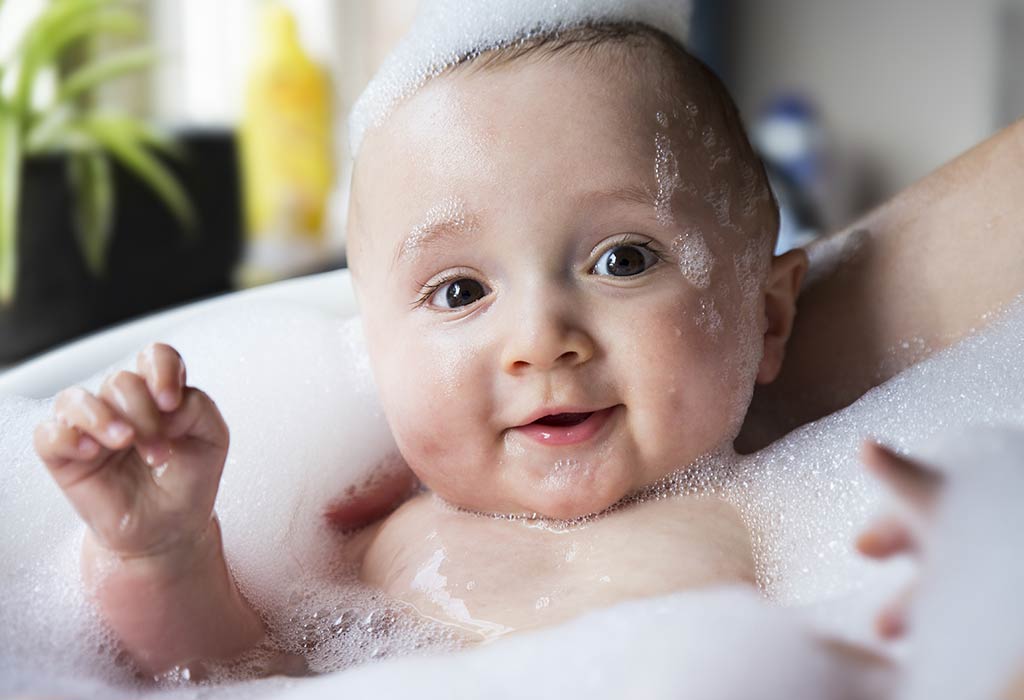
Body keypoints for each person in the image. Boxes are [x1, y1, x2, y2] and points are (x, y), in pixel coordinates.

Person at [28, 18, 1024, 697]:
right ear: (375, 352)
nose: (542, 334)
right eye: (460, 291)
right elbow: (234, 673)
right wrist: (162, 551)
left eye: (621, 258)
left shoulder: (784, 509)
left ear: (767, 320)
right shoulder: (373, 545)